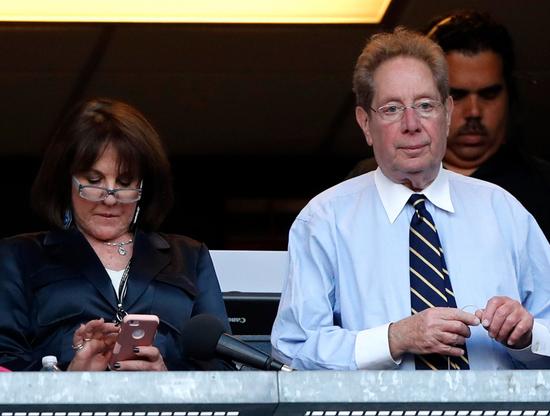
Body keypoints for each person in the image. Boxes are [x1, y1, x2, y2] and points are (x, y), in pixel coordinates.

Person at [271, 28, 550, 370]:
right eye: (391, 109)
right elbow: (293, 350)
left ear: (447, 113)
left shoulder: (503, 211)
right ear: (365, 123)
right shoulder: (324, 221)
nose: (411, 124)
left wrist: (528, 336)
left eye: (425, 105)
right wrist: (394, 339)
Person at [0, 98, 231, 371]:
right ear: (65, 182)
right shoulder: (21, 256)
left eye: (124, 182)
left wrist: (167, 378)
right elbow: (4, 360)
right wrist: (67, 378)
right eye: (93, 181)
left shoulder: (189, 256)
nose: (110, 199)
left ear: (144, 186)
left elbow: (223, 367)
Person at [347, 11, 550, 240]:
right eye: (459, 94)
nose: (474, 112)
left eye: (489, 94)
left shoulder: (543, 187)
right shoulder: (364, 182)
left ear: (510, 96)